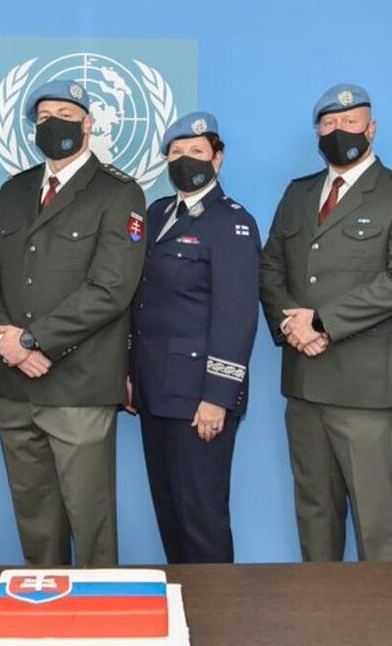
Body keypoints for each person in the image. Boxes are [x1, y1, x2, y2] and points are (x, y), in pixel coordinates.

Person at [259, 83, 392, 562]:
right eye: (330, 123)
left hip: (365, 389)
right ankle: (320, 607)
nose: (340, 130)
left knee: (380, 525)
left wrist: (321, 323)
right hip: (304, 382)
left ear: (371, 128)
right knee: (315, 514)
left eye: (351, 121)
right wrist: (291, 326)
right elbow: (271, 266)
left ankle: (389, 611)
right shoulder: (298, 193)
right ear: (318, 131)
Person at [0, 79, 146, 566]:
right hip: (17, 385)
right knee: (35, 525)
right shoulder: (14, 191)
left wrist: (35, 340)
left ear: (88, 124)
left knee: (91, 522)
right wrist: (10, 345)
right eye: (44, 116)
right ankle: (45, 604)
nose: (53, 124)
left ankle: (100, 611)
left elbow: (111, 288)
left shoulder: (118, 192)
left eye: (66, 115)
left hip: (79, 384)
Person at [127, 112, 260, 563]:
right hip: (154, 390)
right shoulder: (157, 213)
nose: (185, 159)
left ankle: (217, 606)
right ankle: (184, 601)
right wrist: (130, 374)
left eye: (197, 151)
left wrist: (217, 397)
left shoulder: (232, 223)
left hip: (198, 397)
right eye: (177, 152)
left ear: (217, 159)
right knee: (170, 514)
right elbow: (140, 303)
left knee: (201, 520)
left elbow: (236, 316)